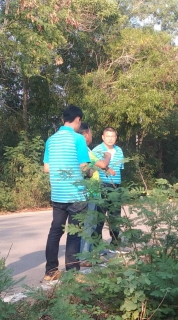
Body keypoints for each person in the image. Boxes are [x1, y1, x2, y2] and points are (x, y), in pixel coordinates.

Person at [42, 105, 91, 281]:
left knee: (55, 231)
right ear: (77, 119)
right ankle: (73, 273)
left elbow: (46, 168)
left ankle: (50, 271)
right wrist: (90, 172)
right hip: (76, 194)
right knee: (75, 232)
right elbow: (84, 166)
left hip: (58, 194)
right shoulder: (78, 139)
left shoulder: (51, 140)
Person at [78, 123, 111, 267]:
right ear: (86, 134)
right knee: (88, 225)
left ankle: (89, 254)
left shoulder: (83, 149)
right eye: (90, 133)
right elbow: (102, 165)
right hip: (90, 192)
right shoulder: (85, 150)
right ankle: (85, 258)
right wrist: (108, 156)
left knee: (89, 225)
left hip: (91, 191)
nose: (91, 136)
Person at [92, 127, 125, 250]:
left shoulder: (119, 150)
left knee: (115, 216)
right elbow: (93, 166)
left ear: (116, 137)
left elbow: (119, 169)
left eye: (113, 136)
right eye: (108, 136)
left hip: (116, 187)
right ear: (103, 137)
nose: (110, 139)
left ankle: (115, 243)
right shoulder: (97, 150)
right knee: (100, 216)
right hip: (102, 186)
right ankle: (97, 245)